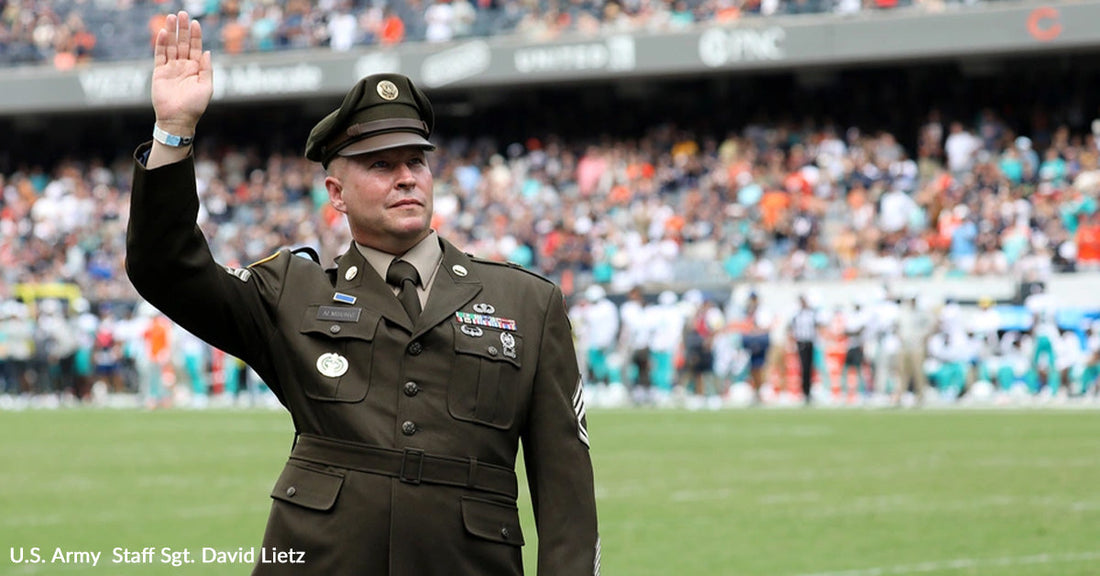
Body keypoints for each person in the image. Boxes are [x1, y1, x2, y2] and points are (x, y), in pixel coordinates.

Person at [125, 12, 599, 576]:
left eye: (416, 161)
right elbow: (164, 267)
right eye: (381, 164)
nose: (406, 177)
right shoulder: (290, 293)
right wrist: (173, 133)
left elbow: (566, 494)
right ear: (337, 192)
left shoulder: (526, 303)